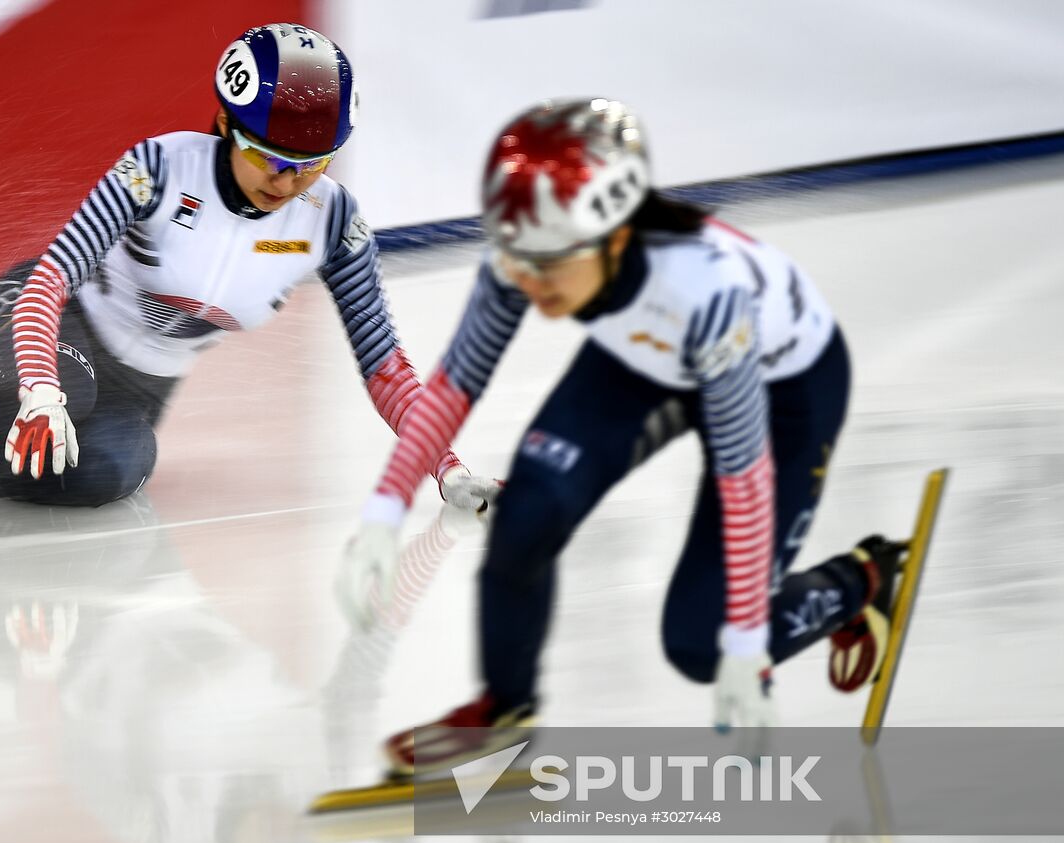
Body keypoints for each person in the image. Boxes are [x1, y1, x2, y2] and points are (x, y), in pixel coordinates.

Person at [334, 98, 906, 775]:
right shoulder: (532, 247)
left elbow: (743, 472)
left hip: (784, 387)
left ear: (617, 236)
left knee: (701, 642)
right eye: (516, 257)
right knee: (527, 513)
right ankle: (505, 709)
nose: (528, 280)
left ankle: (864, 579)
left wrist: (747, 643)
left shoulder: (707, 293)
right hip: (644, 357)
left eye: (549, 264)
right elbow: (455, 385)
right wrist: (385, 510)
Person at [0, 23, 495, 528]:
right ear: (225, 124)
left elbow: (386, 368)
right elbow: (50, 280)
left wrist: (449, 467)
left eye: (310, 165)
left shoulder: (333, 221)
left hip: (133, 391)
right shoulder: (158, 168)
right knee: (68, 390)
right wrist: (39, 389)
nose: (287, 182)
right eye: (268, 157)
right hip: (32, 321)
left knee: (117, 467)